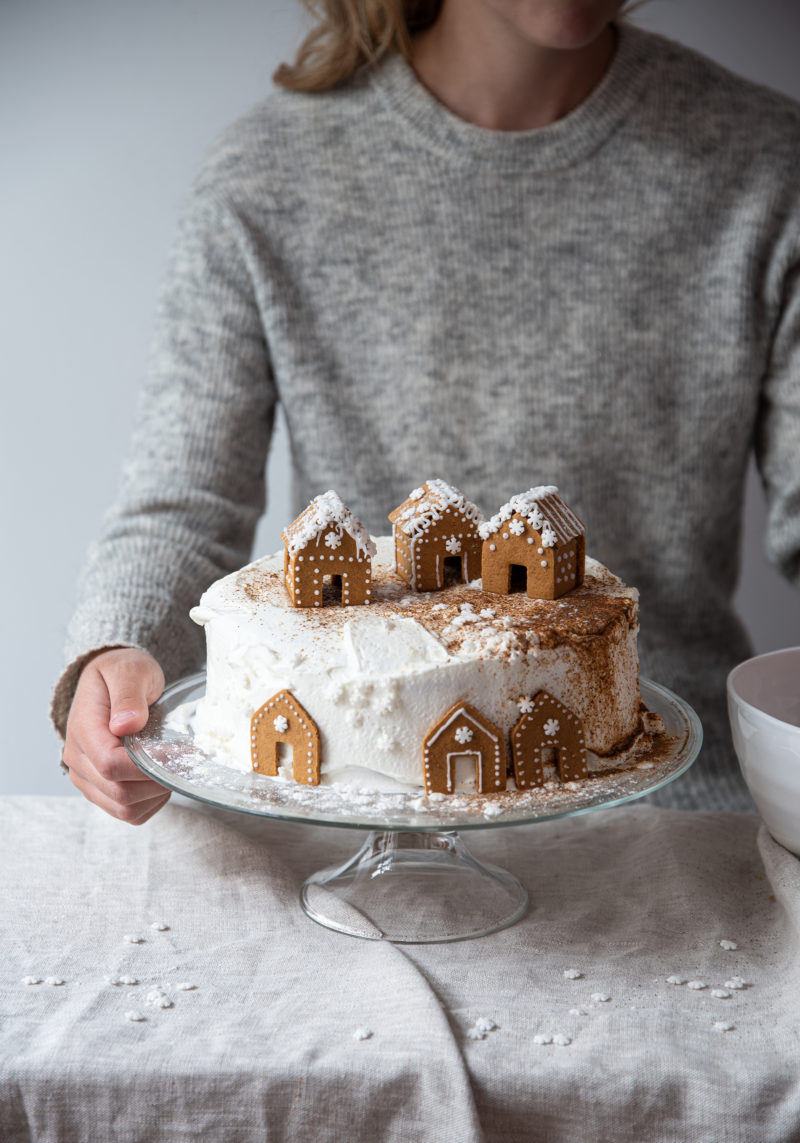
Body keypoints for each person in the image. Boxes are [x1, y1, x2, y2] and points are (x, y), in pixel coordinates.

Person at [54, 0, 800, 823]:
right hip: (336, 821)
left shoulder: (768, 163)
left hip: (676, 819)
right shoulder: (266, 175)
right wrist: (119, 651)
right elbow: (185, 504)